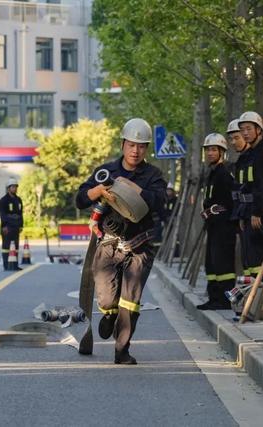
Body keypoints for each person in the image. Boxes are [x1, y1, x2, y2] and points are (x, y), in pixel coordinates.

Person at [75, 117, 166, 365]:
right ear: (123, 144)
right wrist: (98, 192)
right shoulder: (107, 172)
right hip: (109, 244)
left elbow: (161, 203)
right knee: (106, 297)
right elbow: (80, 199)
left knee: (130, 301)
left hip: (140, 246)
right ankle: (108, 313)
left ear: (146, 148)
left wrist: (134, 190)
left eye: (141, 146)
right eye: (131, 145)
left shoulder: (153, 175)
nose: (136, 151)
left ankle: (122, 350)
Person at [234, 111, 263, 278]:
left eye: (248, 129)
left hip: (262, 212)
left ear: (258, 130)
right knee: (250, 259)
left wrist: (256, 213)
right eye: (242, 130)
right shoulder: (251, 153)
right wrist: (242, 213)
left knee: (260, 258)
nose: (245, 133)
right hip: (249, 211)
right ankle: (255, 296)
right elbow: (247, 187)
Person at [196, 133, 236, 310]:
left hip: (224, 225)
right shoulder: (211, 173)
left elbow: (230, 200)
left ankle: (226, 299)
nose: (210, 153)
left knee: (223, 264)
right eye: (208, 150)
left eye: (214, 150)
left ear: (222, 152)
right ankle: (214, 297)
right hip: (213, 225)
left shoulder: (224, 173)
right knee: (211, 263)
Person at [0, 178, 24, 271]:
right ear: (8, 188)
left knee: (16, 247)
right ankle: (6, 265)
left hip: (16, 226)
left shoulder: (18, 200)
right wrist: (4, 226)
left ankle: (14, 265)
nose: (15, 188)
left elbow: (21, 213)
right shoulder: (3, 200)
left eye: (16, 187)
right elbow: (2, 214)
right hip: (7, 227)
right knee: (6, 247)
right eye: (13, 187)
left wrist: (21, 225)